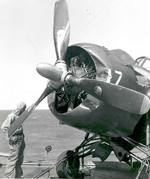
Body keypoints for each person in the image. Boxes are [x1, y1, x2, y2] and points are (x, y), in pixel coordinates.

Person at [1, 101, 26, 179]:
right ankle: (7, 177)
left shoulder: (19, 116)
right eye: (24, 109)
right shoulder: (11, 116)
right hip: (15, 140)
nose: (24, 111)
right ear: (21, 108)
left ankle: (19, 176)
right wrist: (10, 137)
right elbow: (4, 128)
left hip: (20, 139)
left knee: (19, 159)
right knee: (13, 160)